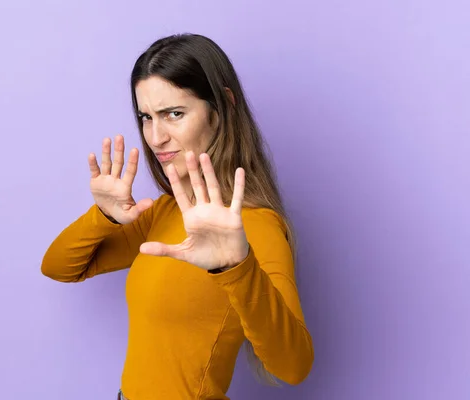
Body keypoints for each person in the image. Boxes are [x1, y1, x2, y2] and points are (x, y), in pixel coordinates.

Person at [41, 33, 314, 399]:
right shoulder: (165, 211)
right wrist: (102, 217)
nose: (156, 137)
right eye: (146, 117)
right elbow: (59, 267)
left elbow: (294, 367)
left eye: (175, 114)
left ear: (222, 108)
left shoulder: (257, 226)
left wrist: (237, 267)